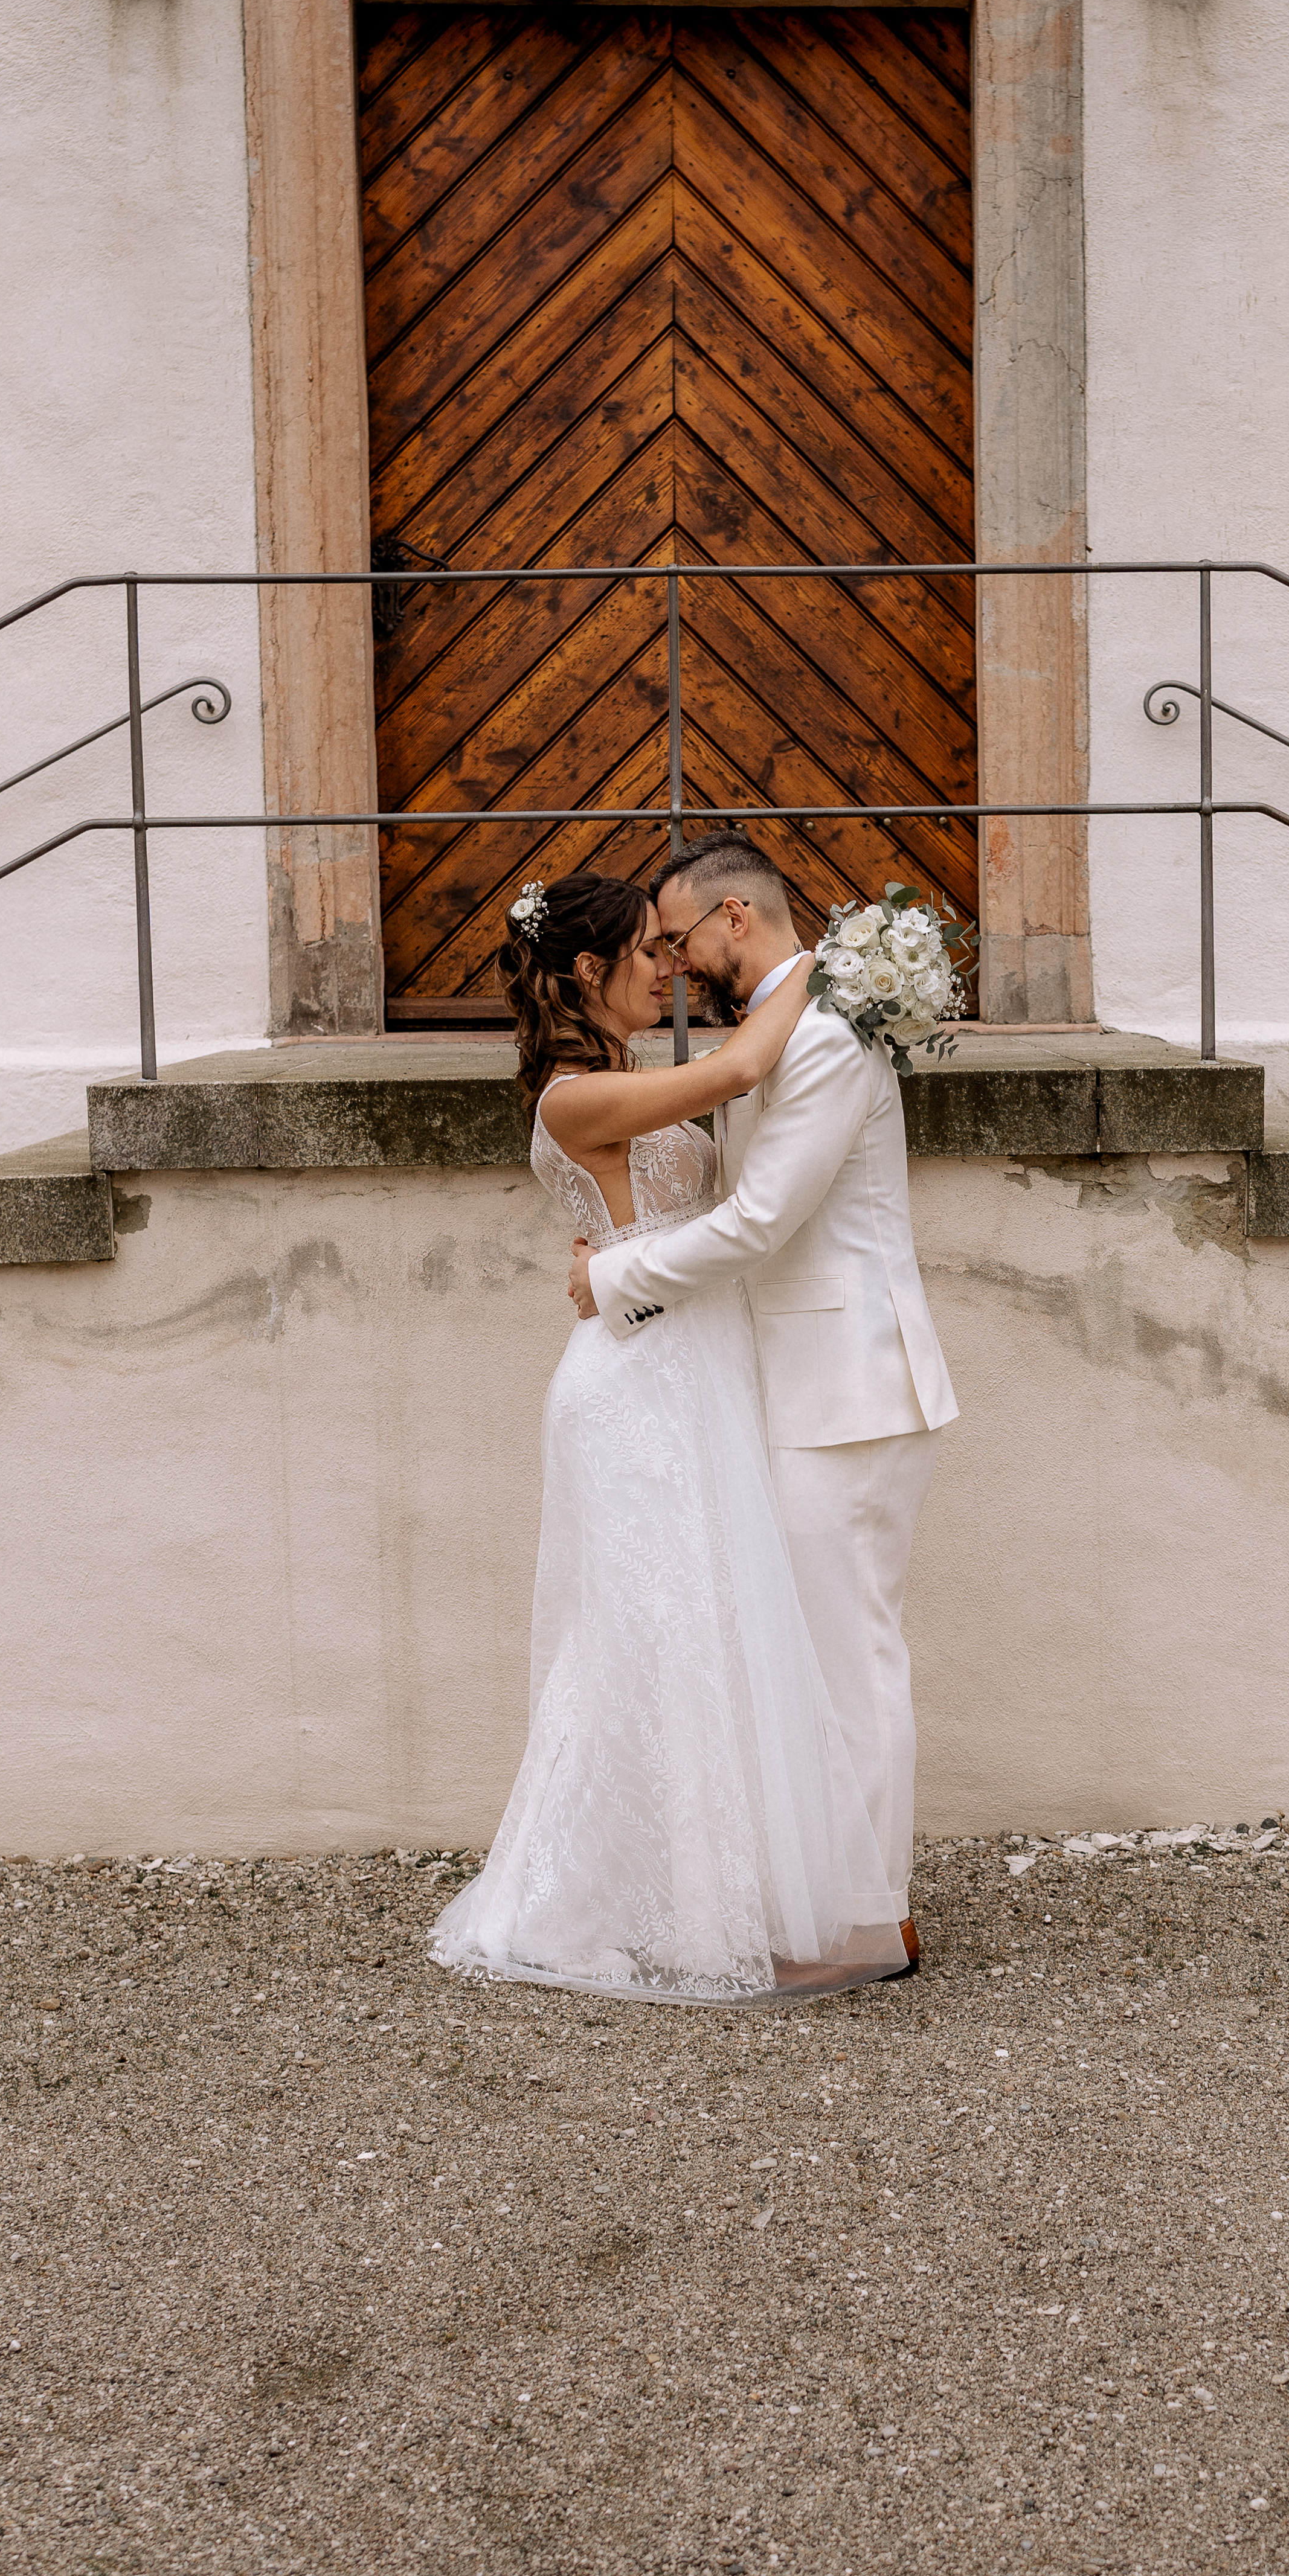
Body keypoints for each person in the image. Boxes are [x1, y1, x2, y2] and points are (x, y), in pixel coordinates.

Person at [428, 869, 905, 2005]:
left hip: (690, 1368)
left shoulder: (627, 1076)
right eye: (649, 949)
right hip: (635, 1388)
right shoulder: (571, 1096)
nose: (670, 964)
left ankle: (710, 1890)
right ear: (587, 970)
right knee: (643, 1638)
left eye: (672, 942)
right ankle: (575, 1902)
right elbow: (744, 1070)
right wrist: (844, 977)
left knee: (698, 1635)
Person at [568, 832, 956, 1973]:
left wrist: (613, 1283)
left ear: (735, 917)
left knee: (849, 1660)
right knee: (826, 1657)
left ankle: (864, 1928)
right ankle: (854, 1907)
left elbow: (762, 1222)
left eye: (682, 939)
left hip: (849, 1390)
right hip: (809, 1386)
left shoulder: (825, 1035)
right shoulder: (790, 1023)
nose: (678, 966)